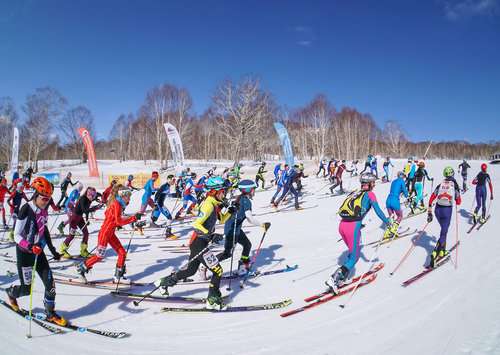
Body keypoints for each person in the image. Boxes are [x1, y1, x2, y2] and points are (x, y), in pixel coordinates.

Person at [154, 176, 231, 310]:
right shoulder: (208, 205)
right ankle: (212, 299)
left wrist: (231, 211)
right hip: (199, 242)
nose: (224, 194)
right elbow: (196, 224)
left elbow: (222, 220)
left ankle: (163, 282)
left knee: (190, 271)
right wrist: (211, 235)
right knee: (218, 270)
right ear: (215, 191)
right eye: (223, 191)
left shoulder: (213, 203)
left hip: (201, 242)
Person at [5, 177, 67, 326]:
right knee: (27, 290)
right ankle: (11, 293)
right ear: (35, 195)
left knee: (50, 284)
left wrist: (53, 251)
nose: (46, 202)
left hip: (38, 252)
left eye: (48, 199)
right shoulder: (25, 209)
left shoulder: (44, 210)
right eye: (43, 198)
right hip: (25, 253)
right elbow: (16, 236)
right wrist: (30, 246)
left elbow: (44, 230)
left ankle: (50, 313)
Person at [325, 173, 394, 293]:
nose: (374, 184)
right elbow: (378, 211)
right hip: (353, 227)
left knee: (352, 253)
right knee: (355, 257)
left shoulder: (355, 192)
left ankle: (342, 278)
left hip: (342, 225)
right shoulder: (370, 194)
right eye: (373, 182)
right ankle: (334, 278)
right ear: (370, 184)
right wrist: (387, 222)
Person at [76, 185, 142, 283]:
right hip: (105, 233)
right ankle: (81, 268)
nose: (129, 198)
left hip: (110, 233)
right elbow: (118, 221)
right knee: (99, 256)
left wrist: (131, 219)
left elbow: (109, 216)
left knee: (122, 253)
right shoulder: (116, 204)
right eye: (128, 196)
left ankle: (118, 276)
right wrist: (133, 218)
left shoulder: (117, 203)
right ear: (122, 195)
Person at [217, 180, 270, 275]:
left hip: (234, 228)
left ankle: (243, 267)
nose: (254, 191)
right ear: (248, 190)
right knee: (227, 254)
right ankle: (206, 266)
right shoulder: (246, 201)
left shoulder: (238, 198)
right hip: (232, 231)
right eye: (253, 189)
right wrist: (262, 225)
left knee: (247, 245)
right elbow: (250, 218)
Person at [426, 166, 461, 267]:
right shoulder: (454, 184)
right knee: (444, 231)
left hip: (437, 210)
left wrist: (429, 209)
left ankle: (442, 251)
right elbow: (458, 201)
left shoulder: (440, 184)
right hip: (446, 211)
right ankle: (435, 252)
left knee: (443, 230)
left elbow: (432, 196)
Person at [59, 187, 102, 258]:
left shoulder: (89, 198)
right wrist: (96, 207)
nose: (92, 197)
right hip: (74, 218)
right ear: (87, 194)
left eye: (93, 195)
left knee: (86, 233)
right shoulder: (83, 199)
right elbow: (85, 210)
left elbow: (97, 195)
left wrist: (100, 197)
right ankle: (63, 250)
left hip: (80, 218)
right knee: (72, 235)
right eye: (91, 195)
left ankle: (83, 251)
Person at [385, 172, 409, 238]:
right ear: (402, 176)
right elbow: (404, 189)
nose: (404, 178)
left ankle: (387, 232)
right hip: (395, 200)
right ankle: (393, 229)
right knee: (400, 216)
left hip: (388, 199)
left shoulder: (393, 181)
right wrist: (407, 196)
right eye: (404, 176)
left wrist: (400, 192)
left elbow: (394, 190)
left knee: (391, 217)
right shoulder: (401, 181)